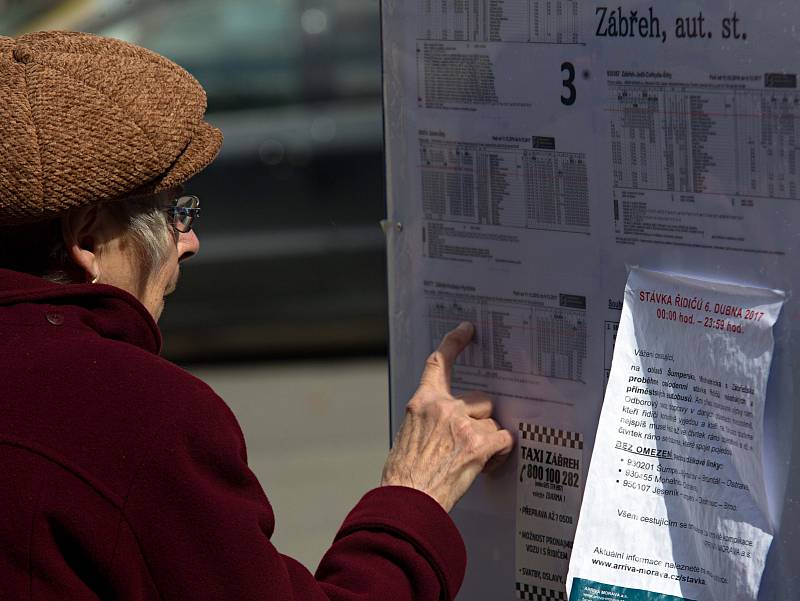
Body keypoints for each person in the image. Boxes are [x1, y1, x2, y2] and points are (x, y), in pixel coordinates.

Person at [0, 31, 514, 600]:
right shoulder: (135, 416)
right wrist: (415, 495)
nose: (189, 241)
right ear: (89, 238)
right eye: (176, 213)